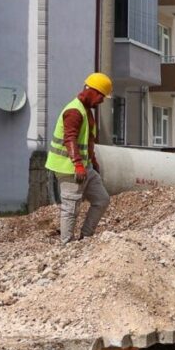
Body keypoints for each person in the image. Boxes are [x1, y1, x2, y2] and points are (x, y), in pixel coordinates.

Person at [45, 72, 112, 244]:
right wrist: (78, 165)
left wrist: (92, 161)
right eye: (101, 96)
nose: (102, 101)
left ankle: (85, 238)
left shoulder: (86, 111)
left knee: (102, 199)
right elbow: (70, 138)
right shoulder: (74, 111)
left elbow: (87, 140)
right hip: (69, 168)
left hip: (84, 166)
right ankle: (66, 245)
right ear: (93, 91)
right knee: (71, 208)